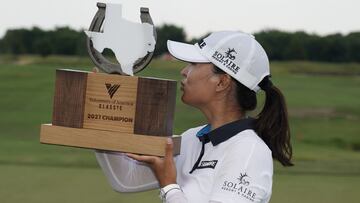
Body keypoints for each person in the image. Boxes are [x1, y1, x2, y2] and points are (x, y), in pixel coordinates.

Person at [95, 31, 293, 203]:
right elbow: (125, 180)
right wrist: (105, 112)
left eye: (193, 64)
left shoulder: (249, 150)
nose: (184, 71)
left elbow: (164, 183)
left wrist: (169, 186)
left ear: (222, 82)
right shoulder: (193, 138)